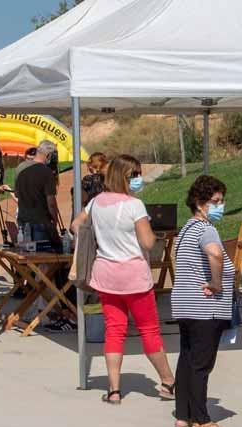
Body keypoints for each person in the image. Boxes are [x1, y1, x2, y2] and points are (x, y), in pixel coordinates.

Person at [69, 155, 174, 404]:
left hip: (105, 275)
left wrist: (97, 239)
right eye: (135, 175)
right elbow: (148, 242)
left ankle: (114, 389)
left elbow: (76, 225)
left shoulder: (96, 202)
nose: (139, 179)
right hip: (134, 276)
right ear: (125, 177)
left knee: (114, 331)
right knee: (149, 329)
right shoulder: (134, 205)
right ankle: (168, 380)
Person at [170, 175, 234, 427]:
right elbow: (215, 254)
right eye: (215, 201)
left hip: (185, 304)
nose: (220, 206)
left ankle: (183, 415)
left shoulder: (186, 228)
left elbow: (177, 259)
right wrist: (217, 281)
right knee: (201, 364)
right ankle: (201, 419)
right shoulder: (207, 229)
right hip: (205, 307)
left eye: (221, 201)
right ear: (199, 202)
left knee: (187, 360)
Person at [14, 140, 61, 245]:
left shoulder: (19, 168)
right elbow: (51, 203)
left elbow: (17, 194)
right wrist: (54, 222)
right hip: (41, 224)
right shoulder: (46, 172)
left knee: (25, 257)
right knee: (42, 258)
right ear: (48, 155)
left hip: (22, 222)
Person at [75, 151, 108, 217]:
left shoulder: (88, 180)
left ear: (91, 166)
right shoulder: (108, 178)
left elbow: (82, 198)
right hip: (106, 212)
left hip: (92, 213)